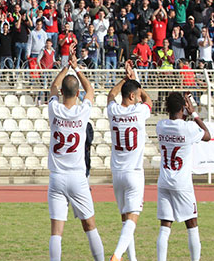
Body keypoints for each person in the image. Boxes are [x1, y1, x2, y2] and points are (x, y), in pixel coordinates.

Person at [47, 46, 104, 261]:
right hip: (78, 177)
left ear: (62, 92)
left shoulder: (54, 109)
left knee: (56, 231)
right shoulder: (82, 111)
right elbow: (90, 91)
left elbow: (53, 86)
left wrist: (65, 68)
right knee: (90, 226)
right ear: (77, 93)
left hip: (57, 177)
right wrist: (77, 68)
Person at [156, 92, 211, 261]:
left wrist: (183, 113)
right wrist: (193, 113)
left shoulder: (160, 125)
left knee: (165, 226)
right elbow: (207, 135)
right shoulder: (189, 128)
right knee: (192, 225)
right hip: (182, 183)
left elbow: (176, 121)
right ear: (183, 108)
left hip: (164, 181)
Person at [107, 61, 152, 261]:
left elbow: (110, 95)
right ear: (132, 96)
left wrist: (126, 78)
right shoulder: (139, 112)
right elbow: (148, 100)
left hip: (117, 173)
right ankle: (117, 255)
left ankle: (132, 259)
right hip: (134, 172)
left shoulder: (113, 111)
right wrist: (135, 80)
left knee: (125, 219)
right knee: (133, 217)